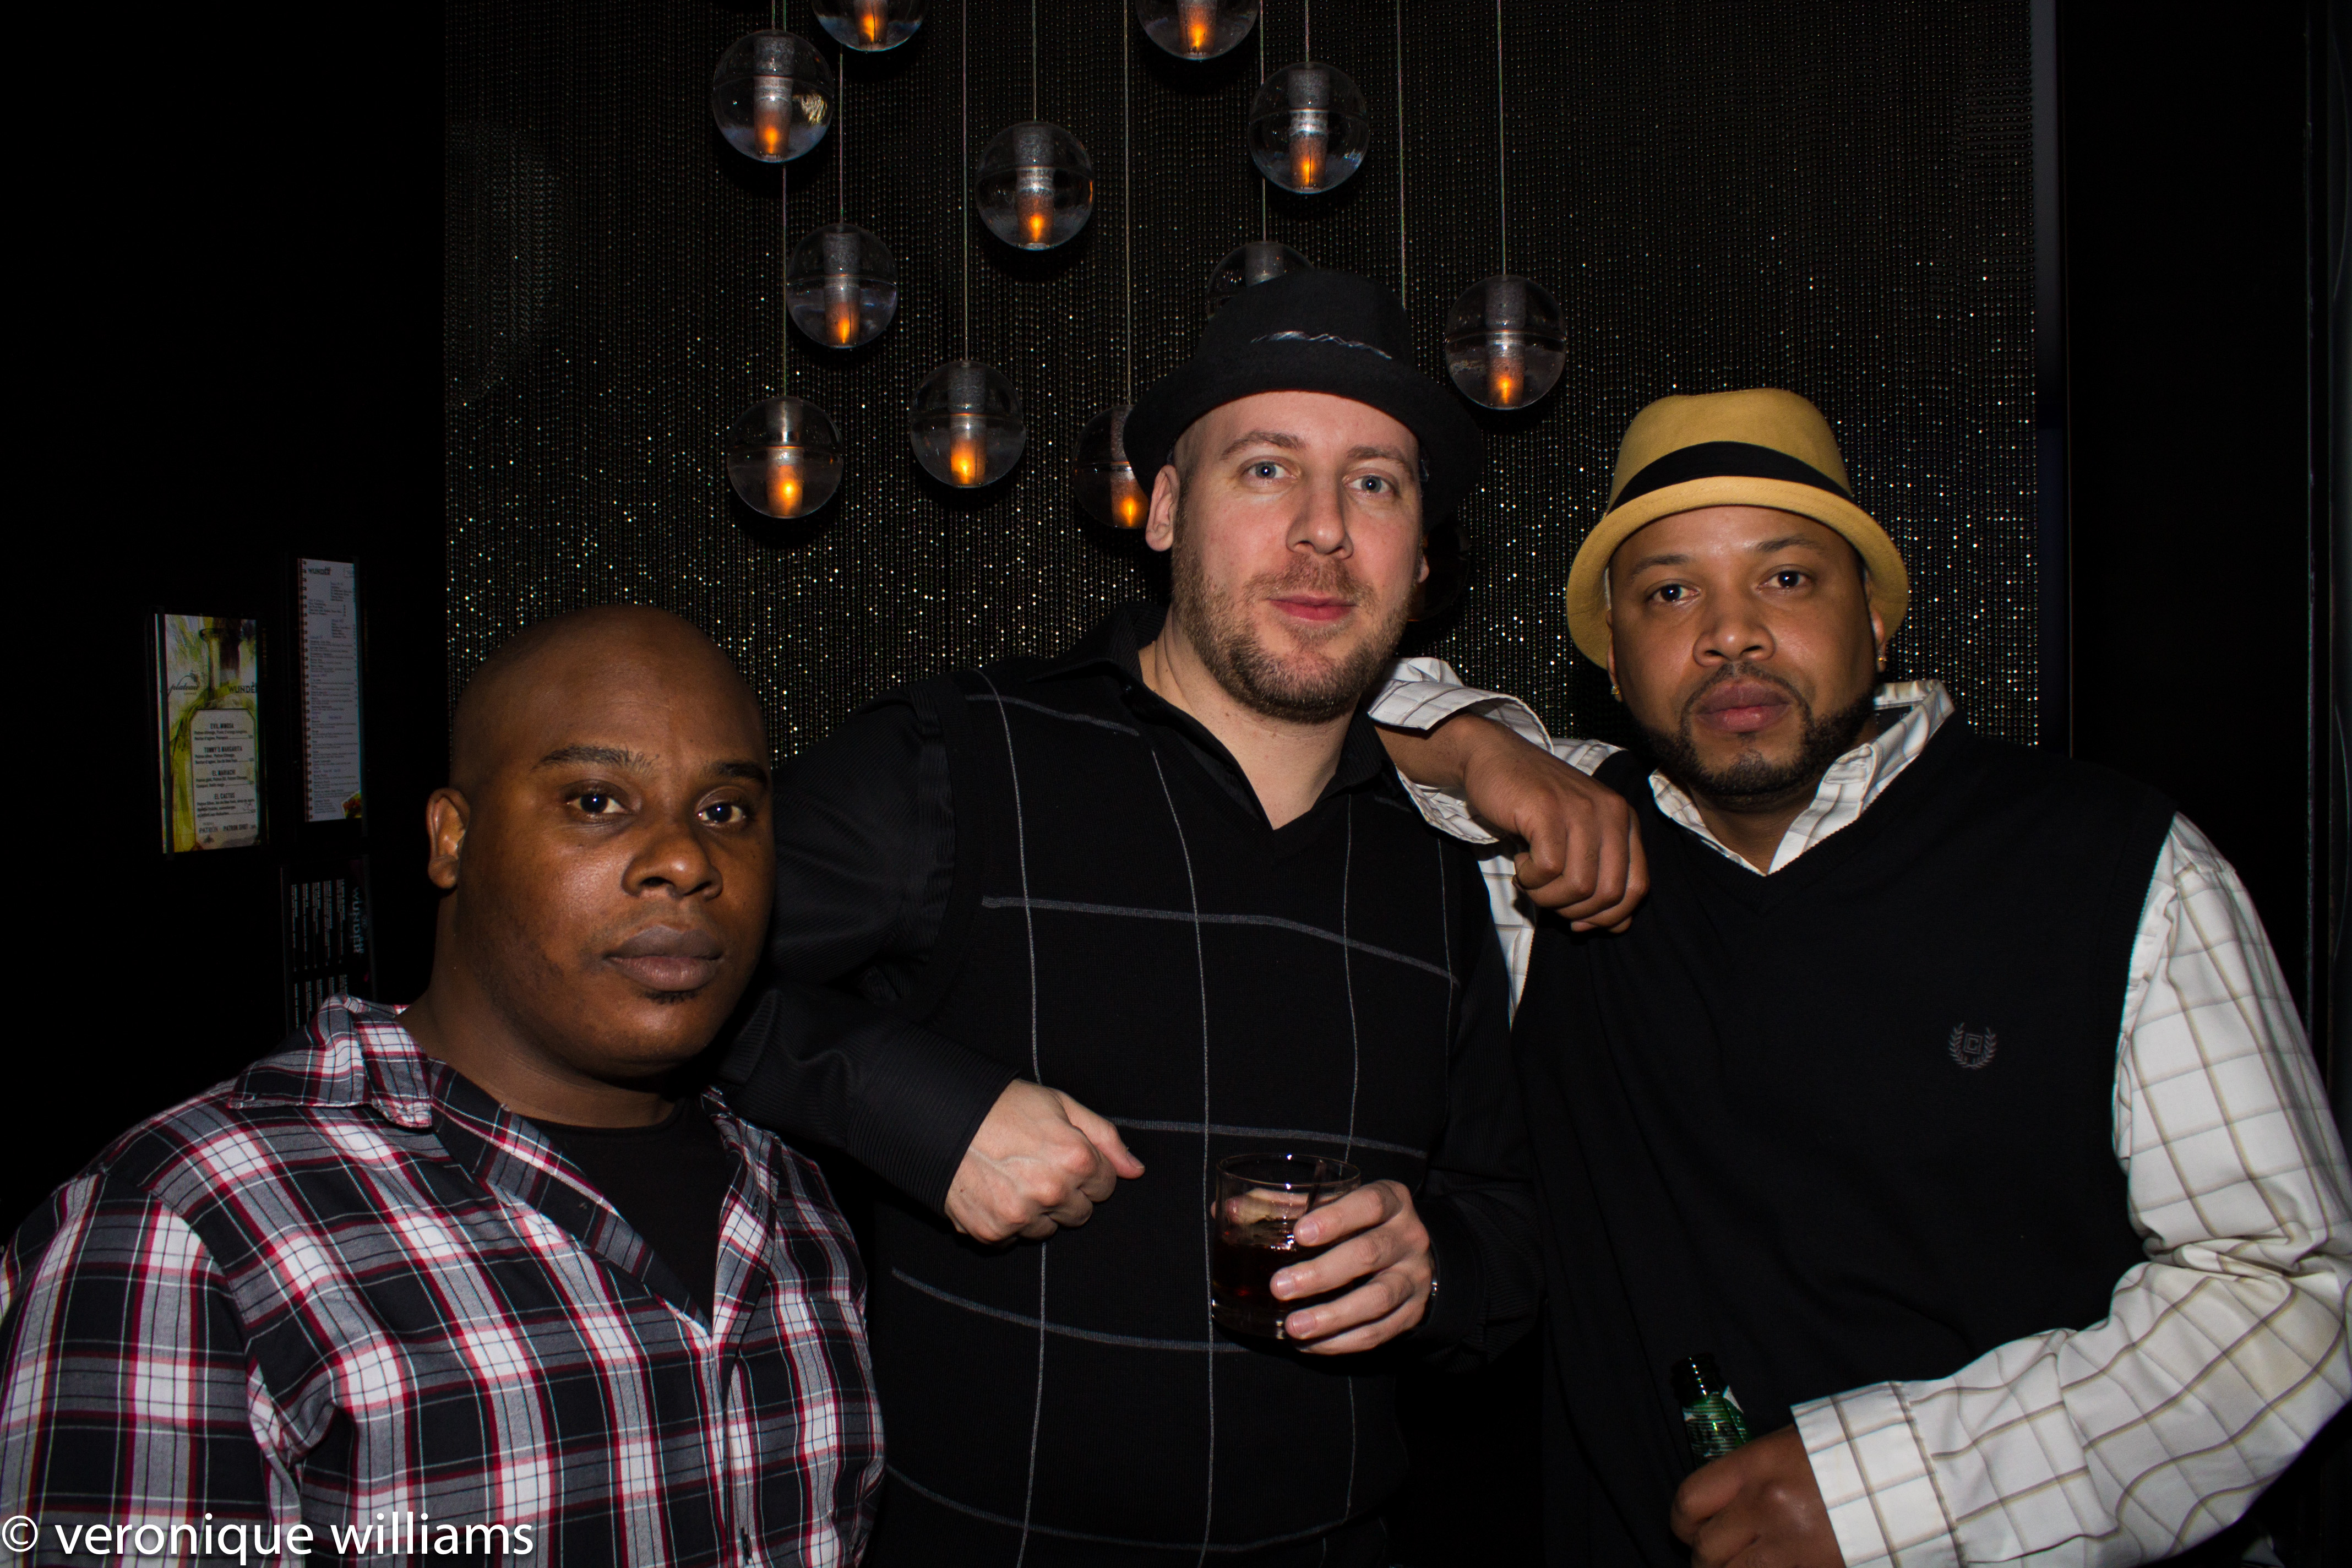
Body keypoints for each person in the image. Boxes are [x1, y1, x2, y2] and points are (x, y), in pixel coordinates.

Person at [717, 269, 1643, 1566]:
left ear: (1424, 557)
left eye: (1376, 484)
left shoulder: (1439, 878)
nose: (1324, 531)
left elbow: (1514, 1222)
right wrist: (914, 1108)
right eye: (1266, 469)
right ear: (1161, 510)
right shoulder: (959, 762)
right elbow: (643, 981)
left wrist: (1431, 1265)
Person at [1378, 388, 2352, 1568]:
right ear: (1616, 664)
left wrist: (1888, 1494)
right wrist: (1479, 745)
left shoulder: (2110, 861)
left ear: (1879, 621)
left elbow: (2285, 1289)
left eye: (1787, 578)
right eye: (1670, 593)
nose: (1731, 634)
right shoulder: (1554, 861)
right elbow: (1282, 684)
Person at [0, 606, 883, 1562]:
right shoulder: (188, 1228)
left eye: (726, 811)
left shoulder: (796, 1203)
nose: (686, 860)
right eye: (596, 800)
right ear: (453, 838)